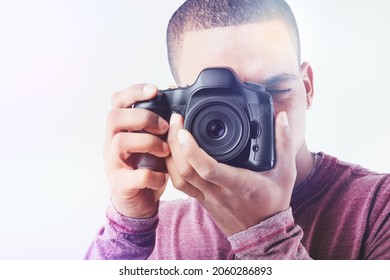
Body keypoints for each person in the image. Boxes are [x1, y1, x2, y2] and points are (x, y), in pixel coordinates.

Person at [85, 0, 390, 260]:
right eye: (220, 100)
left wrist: (266, 235)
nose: (254, 119)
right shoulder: (159, 230)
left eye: (276, 89)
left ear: (307, 87)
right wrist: (126, 232)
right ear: (177, 109)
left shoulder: (378, 209)